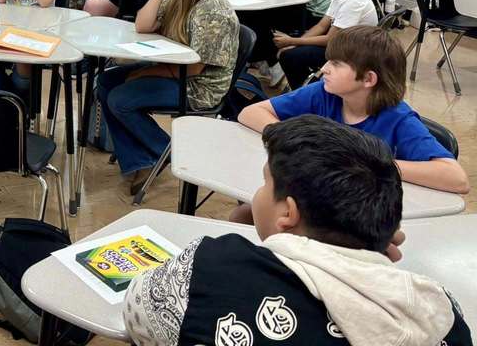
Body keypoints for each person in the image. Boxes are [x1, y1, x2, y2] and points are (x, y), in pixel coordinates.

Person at [123, 114, 473, 346]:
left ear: (288, 213)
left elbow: (137, 312)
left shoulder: (210, 267)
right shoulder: (439, 314)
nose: (258, 192)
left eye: (264, 183)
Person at [240, 26, 470, 196]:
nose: (324, 69)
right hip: (318, 193)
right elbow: (250, 113)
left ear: (369, 79)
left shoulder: (398, 118)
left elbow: (457, 179)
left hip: (357, 210)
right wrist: (303, 141)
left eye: (336, 64)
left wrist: (365, 162)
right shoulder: (324, 92)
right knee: (245, 214)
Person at [97, 0, 238, 193]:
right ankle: (142, 158)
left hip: (199, 86)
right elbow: (144, 25)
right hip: (174, 69)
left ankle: (167, 152)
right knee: (106, 81)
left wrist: (145, 72)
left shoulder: (212, 9)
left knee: (120, 99)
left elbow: (196, 68)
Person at [276, 0, 377, 89]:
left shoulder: (354, 0)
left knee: (290, 57)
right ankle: (309, 88)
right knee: (292, 52)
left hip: (353, 52)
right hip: (343, 45)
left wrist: (292, 41)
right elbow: (322, 25)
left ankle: (307, 93)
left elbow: (331, 39)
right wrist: (297, 44)